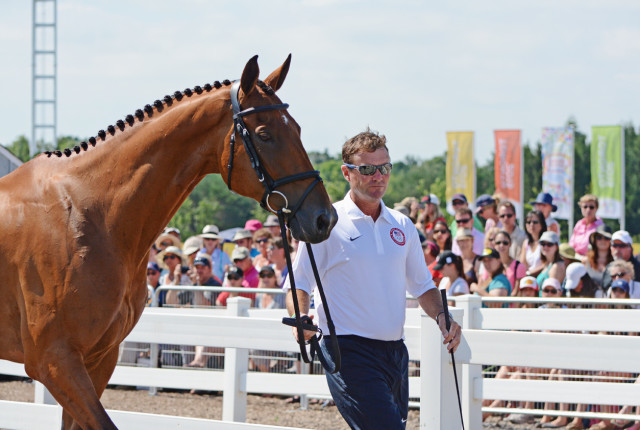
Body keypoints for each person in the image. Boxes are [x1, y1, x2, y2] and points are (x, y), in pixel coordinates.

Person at [284, 128, 461, 430]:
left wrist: (443, 316)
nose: (378, 176)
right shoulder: (327, 222)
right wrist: (300, 316)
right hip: (347, 352)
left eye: (385, 168)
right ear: (346, 172)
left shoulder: (402, 224)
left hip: (395, 353)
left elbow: (422, 286)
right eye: (367, 169)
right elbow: (298, 283)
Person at [494, 230, 526, 296]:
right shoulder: (490, 265)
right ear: (494, 244)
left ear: (510, 244)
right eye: (498, 242)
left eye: (505, 243)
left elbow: (516, 293)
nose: (501, 245)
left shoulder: (519, 266)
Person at [519, 210, 546, 276]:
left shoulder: (546, 242)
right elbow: (522, 264)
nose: (531, 225)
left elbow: (547, 264)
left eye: (535, 222)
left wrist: (530, 273)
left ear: (542, 224)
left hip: (542, 277)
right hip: (528, 279)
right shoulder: (526, 242)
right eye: (528, 222)